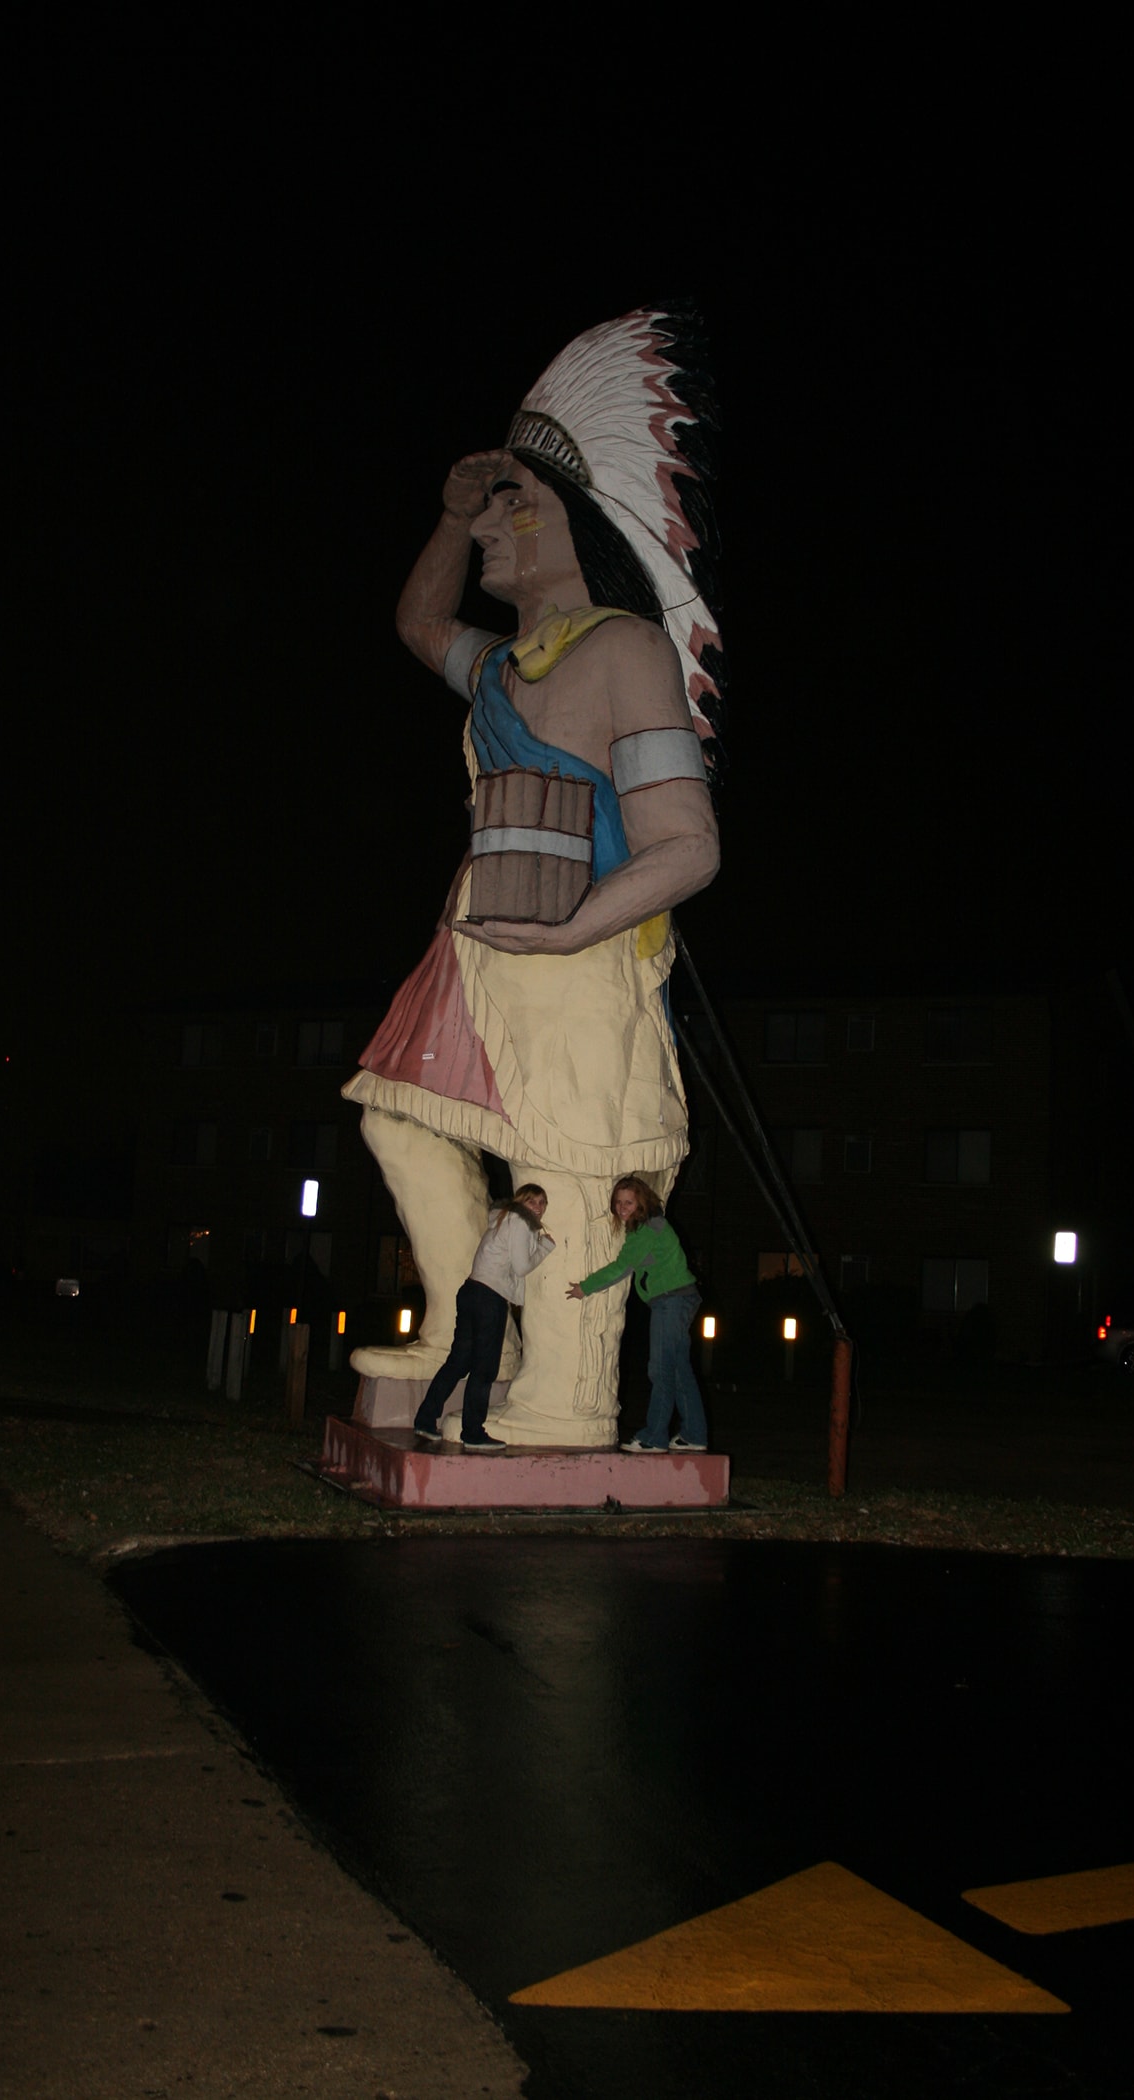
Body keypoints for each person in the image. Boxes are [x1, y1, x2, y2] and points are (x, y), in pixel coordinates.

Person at [343, 307, 725, 1447]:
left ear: (584, 531)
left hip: (576, 961)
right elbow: (418, 619)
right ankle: (480, 1326)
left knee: (564, 1163)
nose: (497, 524)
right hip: (470, 952)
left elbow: (687, 844)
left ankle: (565, 1397)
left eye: (520, 503)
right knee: (400, 1126)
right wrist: (450, 518)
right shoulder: (504, 666)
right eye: (493, 504)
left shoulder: (622, 651)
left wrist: (570, 935)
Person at [566, 1176, 707, 1453]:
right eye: (618, 1202)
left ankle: (653, 1437)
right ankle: (694, 1434)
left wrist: (585, 1287)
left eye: (628, 1202)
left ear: (641, 1201)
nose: (622, 1207)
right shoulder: (648, 1227)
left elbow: (622, 1267)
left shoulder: (649, 1228)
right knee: (679, 1370)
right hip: (677, 1299)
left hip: (672, 1301)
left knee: (661, 1369)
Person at [413, 1186, 553, 1452]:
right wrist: (545, 1247)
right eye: (532, 1200)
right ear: (520, 1202)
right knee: (483, 1367)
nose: (538, 1206)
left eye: (542, 1202)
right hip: (489, 1297)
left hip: (471, 1291)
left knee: (458, 1362)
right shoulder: (519, 1222)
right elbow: (522, 1266)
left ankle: (425, 1419)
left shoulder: (503, 1220)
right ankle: (473, 1432)